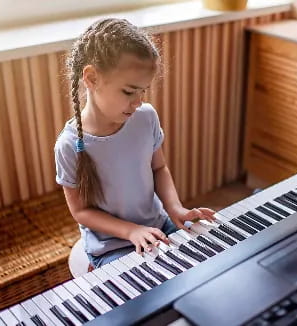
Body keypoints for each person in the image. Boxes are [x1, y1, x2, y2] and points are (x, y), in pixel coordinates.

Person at [54, 18, 216, 269]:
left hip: (158, 225)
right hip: (113, 244)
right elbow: (81, 212)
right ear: (92, 78)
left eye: (143, 90)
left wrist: (176, 209)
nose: (138, 101)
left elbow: (159, 168)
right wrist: (131, 231)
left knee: (210, 257)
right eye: (129, 92)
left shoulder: (145, 117)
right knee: (150, 290)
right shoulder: (69, 145)